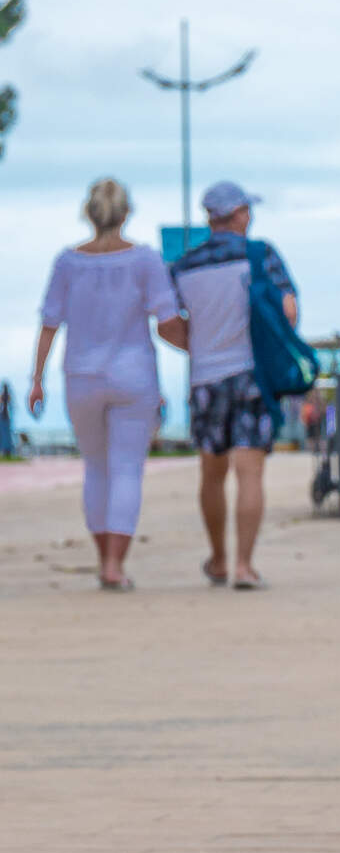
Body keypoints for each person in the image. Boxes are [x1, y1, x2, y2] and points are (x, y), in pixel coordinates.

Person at [30, 178, 187, 589]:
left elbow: (49, 322)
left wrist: (36, 379)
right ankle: (116, 564)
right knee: (126, 470)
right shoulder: (145, 260)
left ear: (89, 212)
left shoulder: (67, 261)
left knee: (96, 468)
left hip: (81, 375)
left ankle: (105, 560)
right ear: (126, 213)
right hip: (134, 375)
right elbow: (167, 320)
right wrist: (201, 349)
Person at [171, 180, 298, 590]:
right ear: (240, 214)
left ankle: (219, 559)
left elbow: (167, 324)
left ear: (210, 218)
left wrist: (198, 347)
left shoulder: (184, 266)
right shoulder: (260, 256)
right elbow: (289, 311)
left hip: (206, 378)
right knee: (250, 473)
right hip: (251, 375)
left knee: (211, 474)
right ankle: (245, 565)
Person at [0, 383, 14, 457]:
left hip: (5, 417)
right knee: (5, 434)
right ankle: (6, 450)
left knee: (5, 434)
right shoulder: (5, 396)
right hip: (4, 417)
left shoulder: (6, 396)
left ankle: (6, 450)